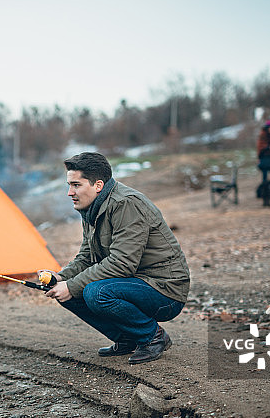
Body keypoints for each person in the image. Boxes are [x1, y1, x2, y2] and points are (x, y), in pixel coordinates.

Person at [39, 152, 190, 365]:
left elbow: (122, 263)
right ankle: (128, 338)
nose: (69, 192)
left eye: (76, 185)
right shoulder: (92, 208)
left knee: (95, 292)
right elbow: (86, 256)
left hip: (165, 291)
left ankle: (153, 337)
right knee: (65, 291)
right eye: (69, 185)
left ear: (98, 185)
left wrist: (72, 285)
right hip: (135, 284)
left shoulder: (126, 204)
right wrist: (61, 278)